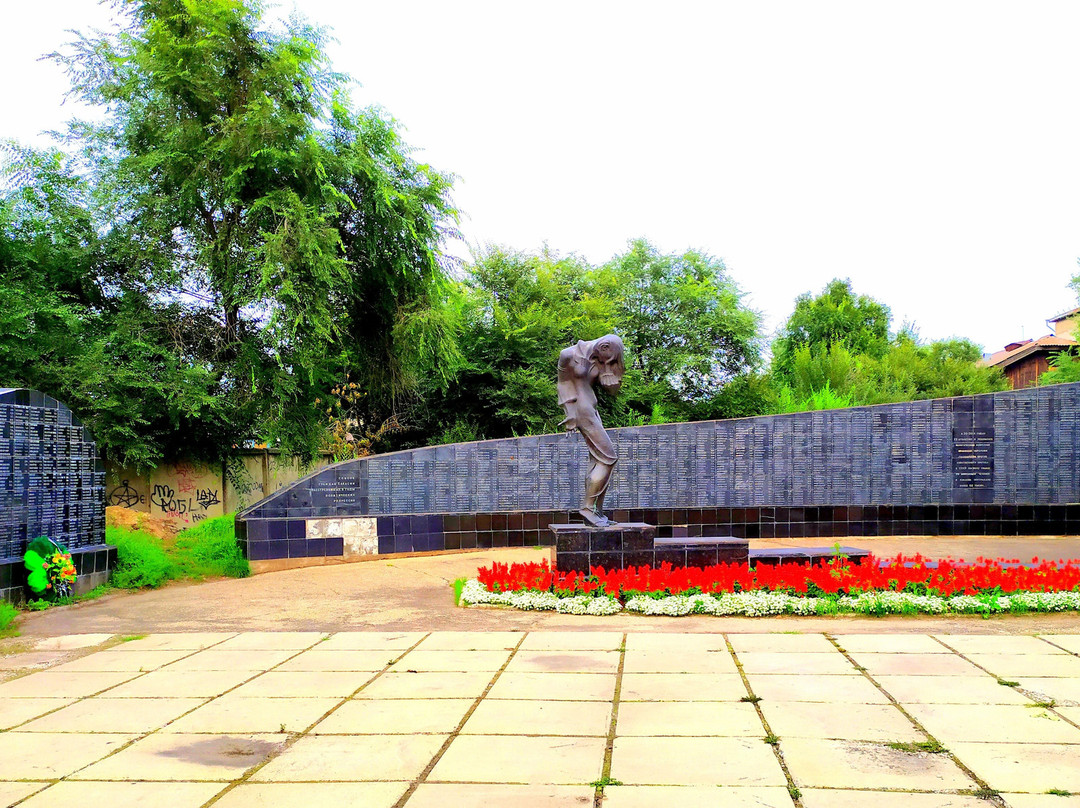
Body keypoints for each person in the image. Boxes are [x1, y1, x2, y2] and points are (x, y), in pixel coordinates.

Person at [557, 334, 625, 526]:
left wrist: (609, 375)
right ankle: (588, 508)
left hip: (591, 409)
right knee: (608, 457)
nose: (608, 362)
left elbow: (612, 391)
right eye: (608, 358)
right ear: (603, 346)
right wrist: (569, 413)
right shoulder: (568, 354)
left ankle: (596, 511)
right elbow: (562, 383)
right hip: (580, 409)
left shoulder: (601, 360)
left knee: (597, 458)